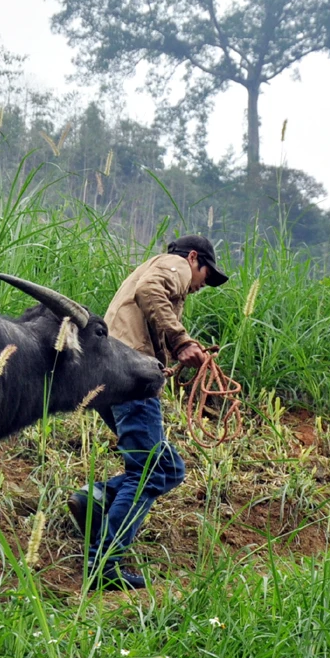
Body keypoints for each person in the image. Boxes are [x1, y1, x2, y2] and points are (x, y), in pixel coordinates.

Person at [68, 234, 228, 590]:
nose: (203, 285)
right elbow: (151, 292)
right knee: (148, 472)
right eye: (206, 275)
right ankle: (103, 565)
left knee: (168, 468)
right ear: (193, 258)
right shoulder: (172, 266)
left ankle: (92, 498)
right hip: (132, 376)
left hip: (107, 375)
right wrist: (181, 340)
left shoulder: (147, 267)